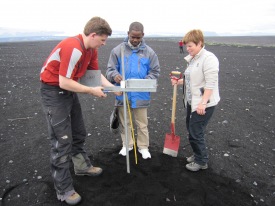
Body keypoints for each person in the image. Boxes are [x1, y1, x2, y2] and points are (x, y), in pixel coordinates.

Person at [40, 16, 121, 205]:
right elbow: (64, 81)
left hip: (68, 90)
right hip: (53, 91)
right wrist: (91, 91)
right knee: (62, 141)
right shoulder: (73, 47)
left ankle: (82, 166)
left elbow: (94, 75)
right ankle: (64, 189)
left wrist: (112, 88)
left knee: (78, 132)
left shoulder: (91, 50)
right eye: (102, 40)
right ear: (93, 35)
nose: (103, 44)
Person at [106, 22, 160, 159]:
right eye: (132, 37)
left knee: (142, 123)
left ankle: (143, 147)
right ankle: (127, 145)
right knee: (125, 123)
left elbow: (155, 71)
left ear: (143, 35)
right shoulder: (117, 50)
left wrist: (145, 81)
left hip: (141, 95)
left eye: (138, 37)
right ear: (128, 34)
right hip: (122, 94)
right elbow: (110, 70)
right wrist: (114, 76)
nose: (135, 40)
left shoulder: (149, 52)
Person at [171, 29, 220, 172]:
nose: (188, 49)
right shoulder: (194, 58)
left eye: (190, 45)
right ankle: (197, 154)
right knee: (191, 129)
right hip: (191, 102)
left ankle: (201, 161)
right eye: (186, 46)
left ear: (200, 43)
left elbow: (210, 84)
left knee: (195, 131)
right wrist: (179, 82)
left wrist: (203, 103)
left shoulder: (209, 58)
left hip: (203, 103)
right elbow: (192, 79)